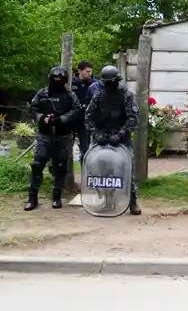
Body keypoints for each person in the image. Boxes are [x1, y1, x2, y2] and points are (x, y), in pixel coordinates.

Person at [84, 64, 142, 215]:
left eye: (111, 82)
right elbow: (88, 117)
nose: (108, 86)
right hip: (101, 137)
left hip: (121, 138)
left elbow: (133, 119)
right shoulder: (98, 96)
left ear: (117, 81)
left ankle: (133, 201)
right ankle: (106, 201)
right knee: (100, 171)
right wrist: (96, 134)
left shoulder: (126, 96)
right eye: (106, 83)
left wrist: (121, 134)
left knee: (128, 168)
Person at [25, 67, 82, 211]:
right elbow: (32, 109)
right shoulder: (42, 93)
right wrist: (42, 118)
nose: (57, 82)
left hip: (63, 136)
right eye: (55, 80)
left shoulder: (70, 95)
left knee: (61, 167)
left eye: (60, 80)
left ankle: (57, 196)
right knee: (37, 165)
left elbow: (76, 109)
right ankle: (33, 197)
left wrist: (61, 119)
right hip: (45, 135)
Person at [71, 60, 95, 163]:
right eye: (87, 71)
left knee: (86, 147)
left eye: (91, 72)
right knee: (66, 146)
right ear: (80, 71)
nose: (90, 74)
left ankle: (86, 172)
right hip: (71, 119)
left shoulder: (94, 84)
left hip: (86, 120)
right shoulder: (70, 83)